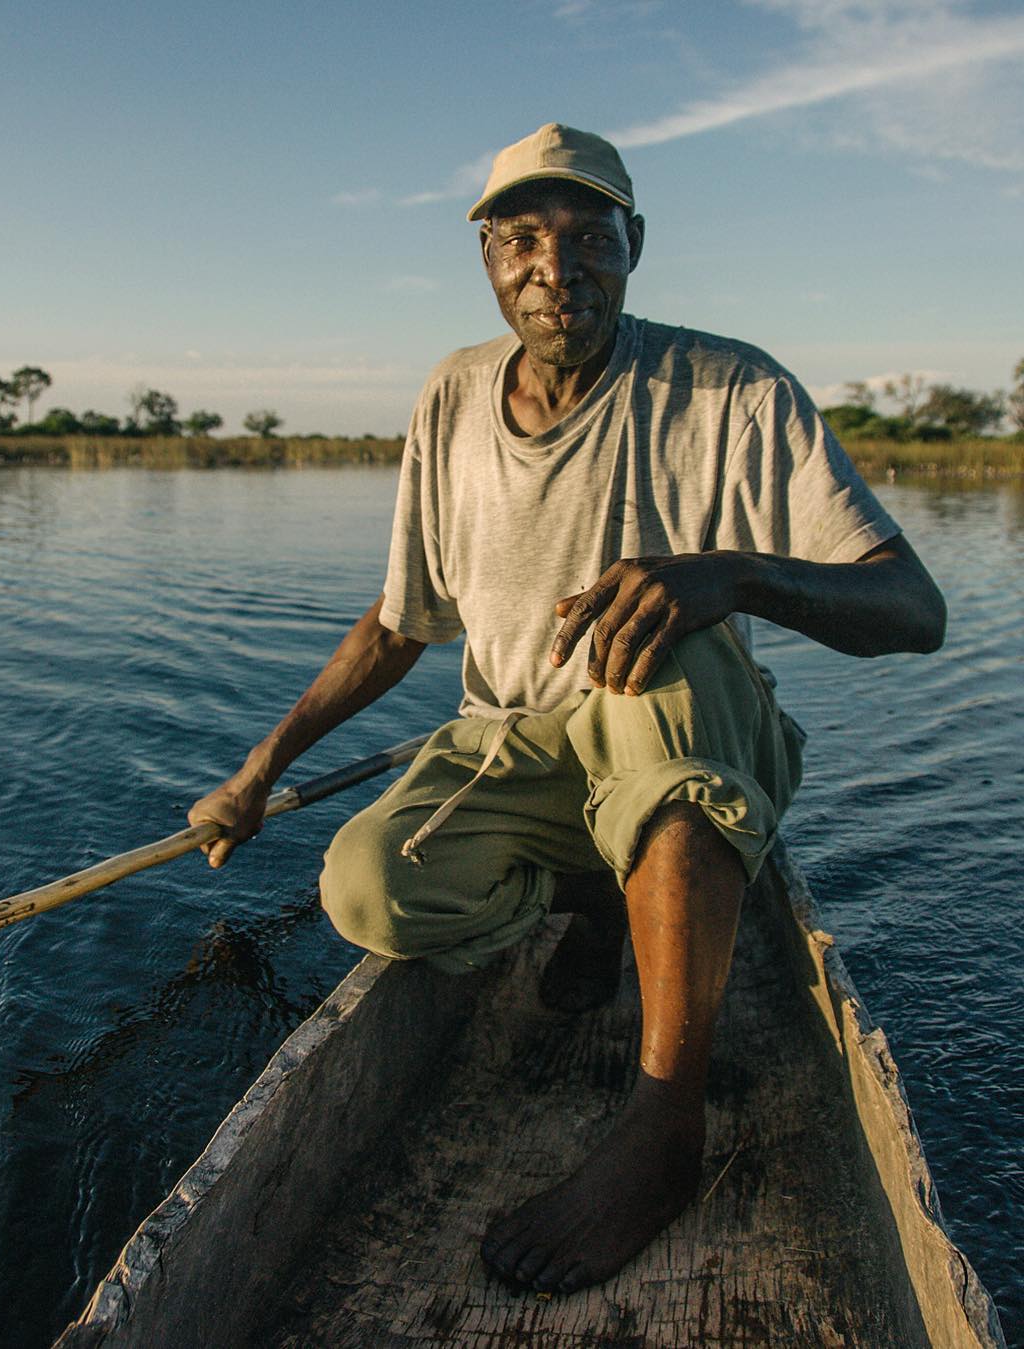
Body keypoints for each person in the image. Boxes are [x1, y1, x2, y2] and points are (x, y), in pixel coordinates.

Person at [189, 123, 946, 1294]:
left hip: (672, 732)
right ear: (486, 260)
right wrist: (257, 767)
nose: (558, 266)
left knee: (661, 657)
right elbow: (400, 622)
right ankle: (598, 885)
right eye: (524, 240)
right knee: (366, 888)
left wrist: (731, 573)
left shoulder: (730, 388)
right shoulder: (449, 398)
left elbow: (913, 606)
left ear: (634, 247)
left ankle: (661, 1128)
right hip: (515, 744)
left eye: (591, 236)